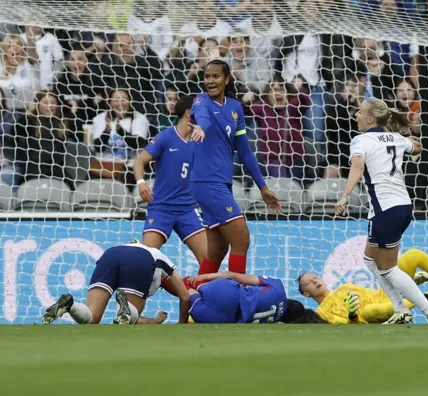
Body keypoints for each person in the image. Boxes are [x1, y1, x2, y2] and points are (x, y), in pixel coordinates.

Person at [334, 97, 428, 325]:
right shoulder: (396, 138)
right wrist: (408, 147)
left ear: (371, 118)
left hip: (385, 209)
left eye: (360, 112)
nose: (356, 115)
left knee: (388, 270)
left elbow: (357, 166)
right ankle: (400, 309)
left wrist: (344, 195)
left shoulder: (360, 141)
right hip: (402, 206)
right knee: (369, 259)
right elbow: (417, 147)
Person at [189, 59, 281, 276]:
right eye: (207, 76)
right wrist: (201, 127)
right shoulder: (200, 101)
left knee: (217, 250)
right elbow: (204, 120)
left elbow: (245, 152)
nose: (210, 81)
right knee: (241, 239)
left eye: (215, 76)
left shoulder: (235, 108)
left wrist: (262, 187)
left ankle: (195, 294)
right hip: (206, 181)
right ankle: (237, 296)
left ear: (226, 79)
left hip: (222, 182)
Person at [133, 94, 208, 296]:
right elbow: (139, 161)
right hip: (161, 208)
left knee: (209, 260)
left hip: (188, 209)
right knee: (146, 260)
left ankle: (205, 305)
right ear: (188, 113)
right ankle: (132, 309)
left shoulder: (201, 139)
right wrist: (141, 183)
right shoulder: (166, 136)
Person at [298, 248, 428, 324]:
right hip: (373, 315)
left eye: (314, 277)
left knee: (411, 256)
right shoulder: (321, 313)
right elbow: (347, 326)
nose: (315, 281)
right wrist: (353, 314)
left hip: (387, 295)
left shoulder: (344, 288)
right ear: (306, 294)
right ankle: (424, 298)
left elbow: (379, 291)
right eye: (309, 282)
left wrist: (405, 281)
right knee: (370, 311)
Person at [43, 242, 191, 325]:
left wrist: (155, 321)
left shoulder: (142, 249)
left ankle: (70, 305)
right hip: (140, 259)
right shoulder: (163, 260)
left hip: (111, 254)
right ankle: (123, 305)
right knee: (128, 318)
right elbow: (185, 297)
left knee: (92, 318)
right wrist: (180, 324)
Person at [184, 272, 291, 324]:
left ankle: (172, 276)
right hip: (221, 318)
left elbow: (234, 276)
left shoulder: (278, 287)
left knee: (188, 281)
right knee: (187, 292)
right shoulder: (272, 323)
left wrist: (203, 277)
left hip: (227, 292)